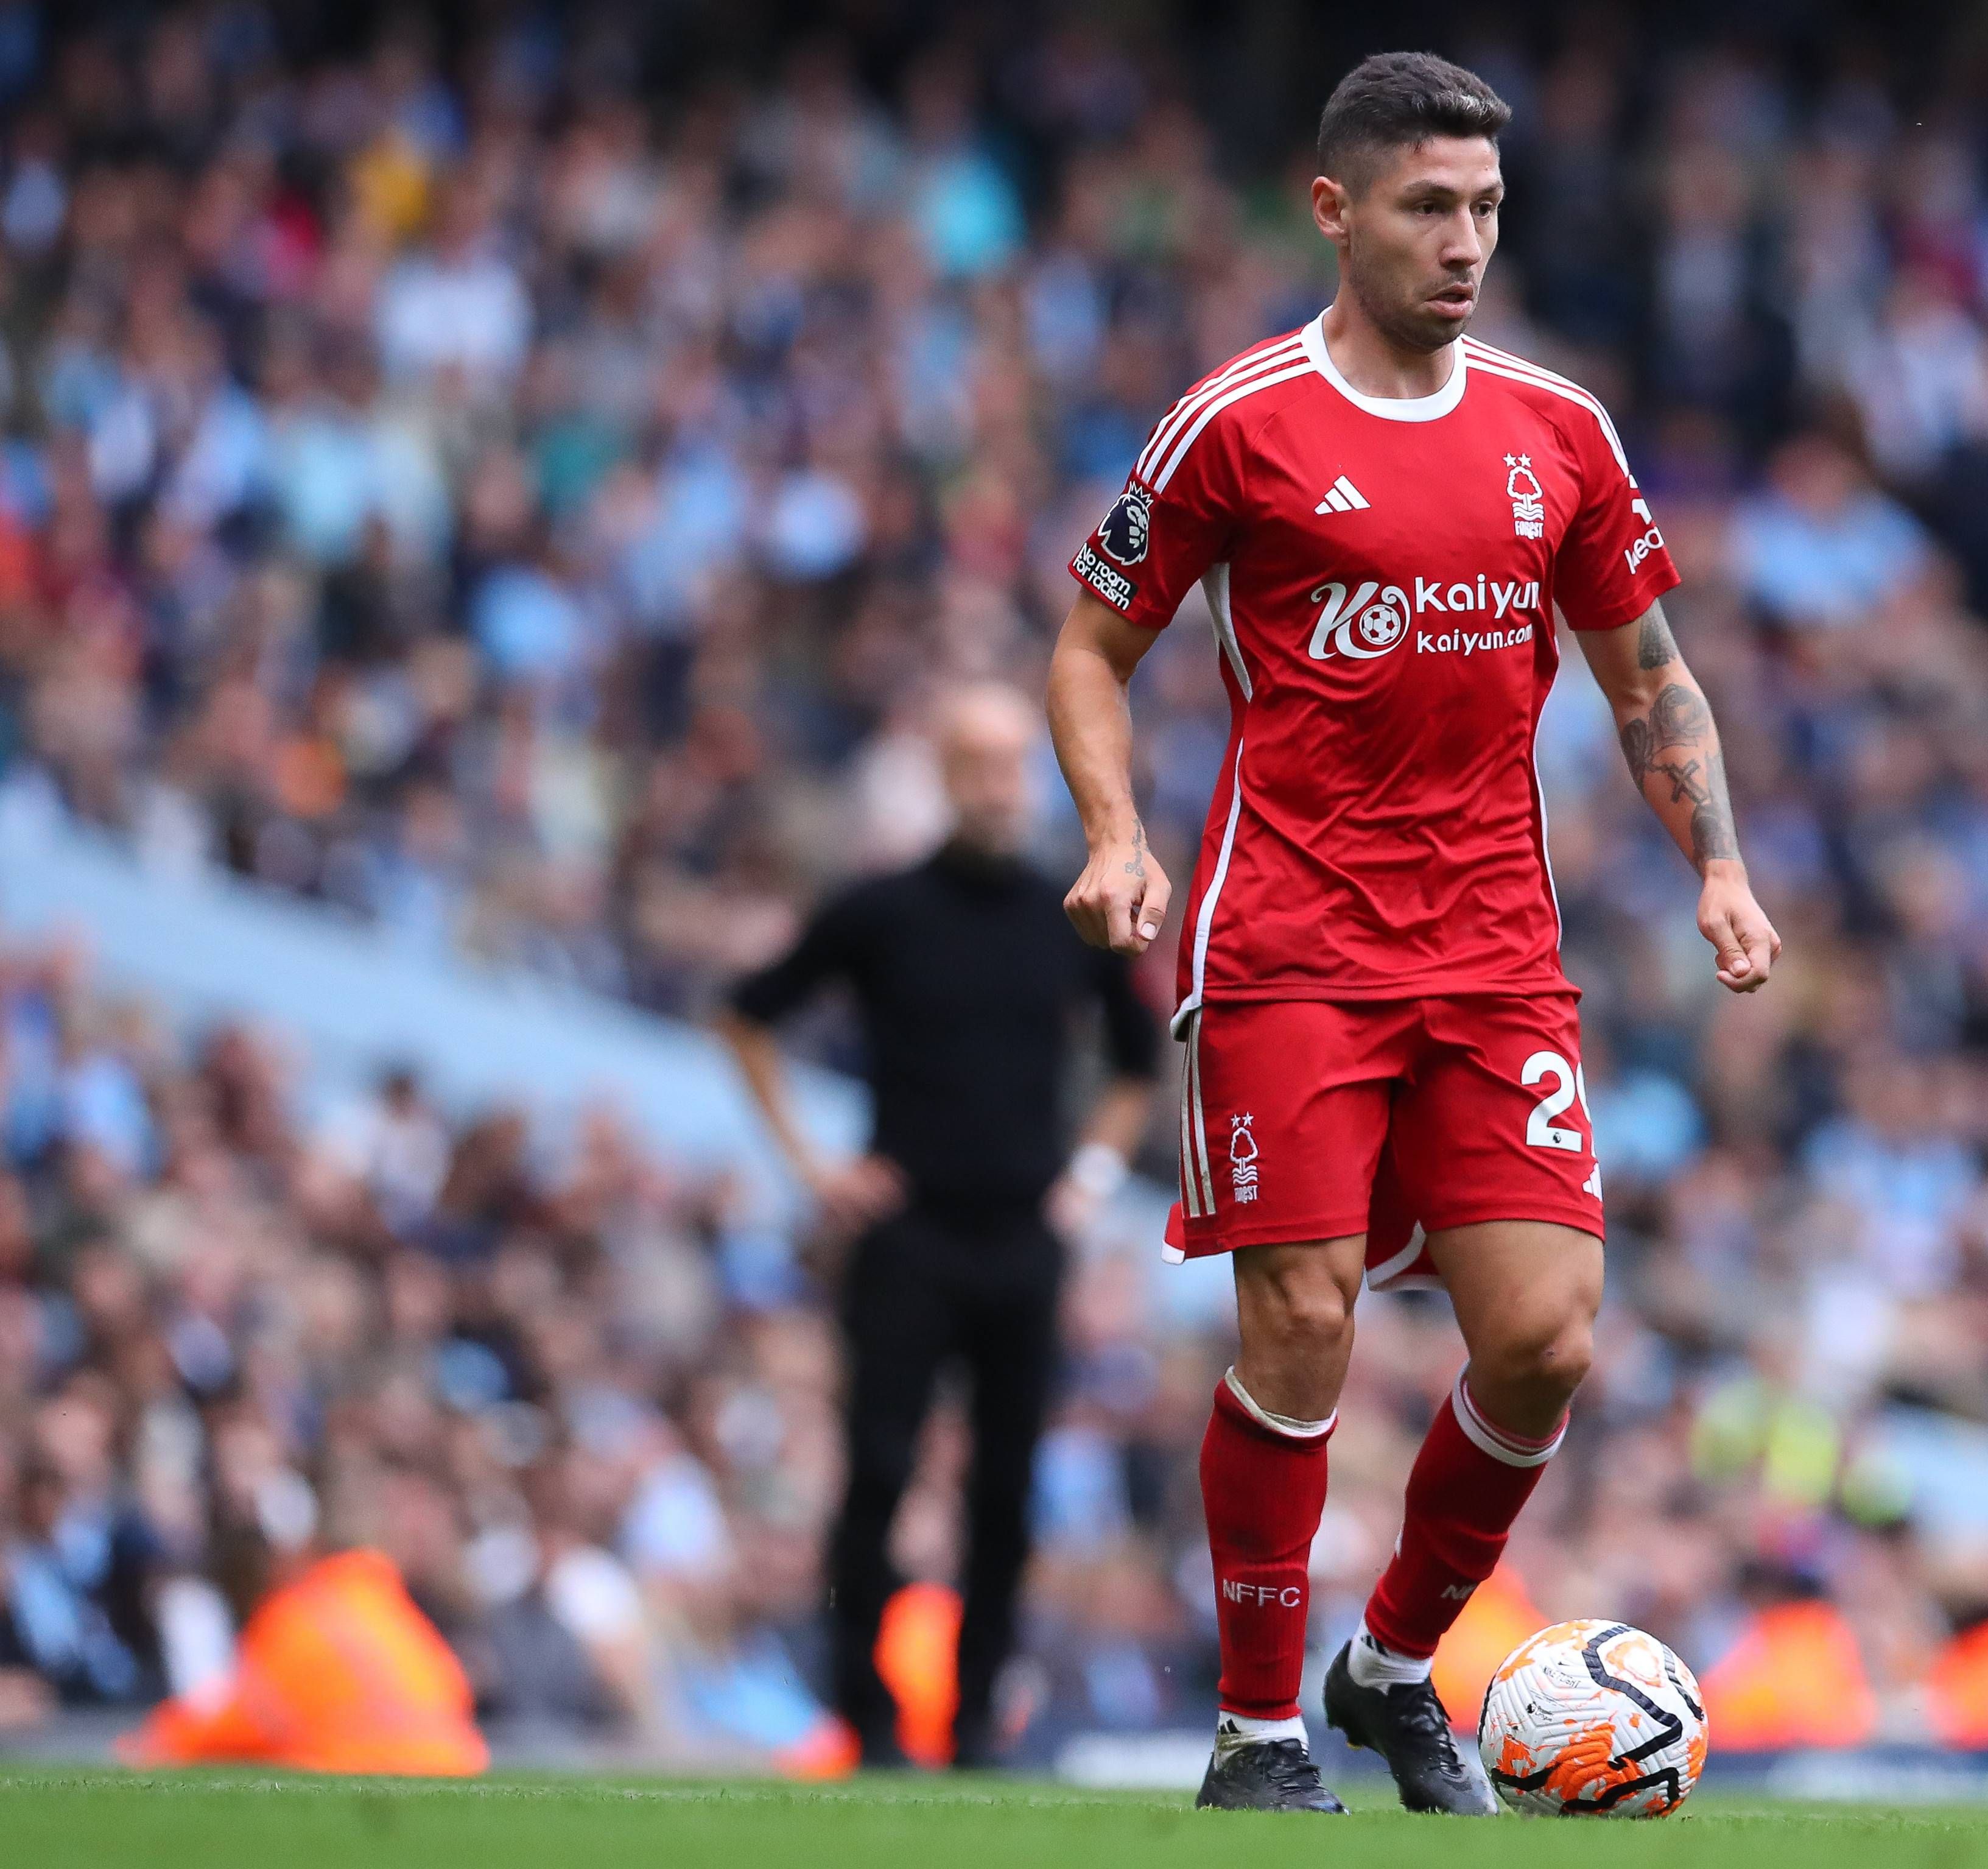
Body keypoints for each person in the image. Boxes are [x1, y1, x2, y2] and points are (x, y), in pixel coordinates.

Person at [1045, 51, 1779, 1814]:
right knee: (1296, 1321)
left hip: (1493, 945)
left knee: (1544, 1338)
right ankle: (1251, 1727)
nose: (1464, 243)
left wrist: (1719, 866)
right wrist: (1114, 833)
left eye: (1485, 211)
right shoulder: (1236, 422)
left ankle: (1386, 1663)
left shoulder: (1560, 431)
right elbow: (1088, 647)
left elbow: (1648, 677)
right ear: (1335, 209)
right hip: (1287, 933)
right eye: (1429, 207)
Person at [718, 684, 1161, 1769]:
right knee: (876, 1469)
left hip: (1022, 1234)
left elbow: (1138, 1064)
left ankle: (972, 1724)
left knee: (1006, 1488)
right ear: (944, 773)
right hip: (909, 1231)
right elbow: (748, 1014)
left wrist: (1089, 1180)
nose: (997, 783)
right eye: (977, 761)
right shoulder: (883, 909)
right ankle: (862, 1712)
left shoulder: (1072, 912)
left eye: (1014, 762)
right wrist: (817, 1166)